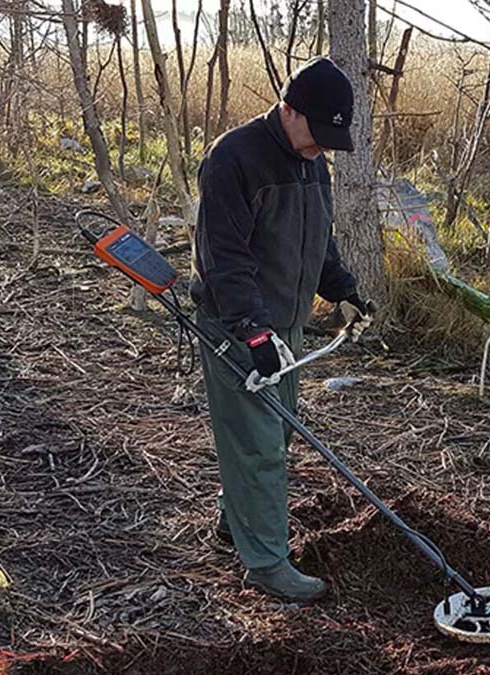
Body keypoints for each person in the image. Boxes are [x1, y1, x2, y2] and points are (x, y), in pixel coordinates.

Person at [190, 57, 375, 603]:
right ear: (288, 108)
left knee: (276, 432)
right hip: (237, 325)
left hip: (285, 325)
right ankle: (267, 561)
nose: (321, 147)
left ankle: (237, 521)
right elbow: (223, 258)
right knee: (260, 446)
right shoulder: (234, 158)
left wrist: (342, 288)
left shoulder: (311, 160)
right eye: (316, 133)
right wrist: (251, 331)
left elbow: (318, 234)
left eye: (329, 138)